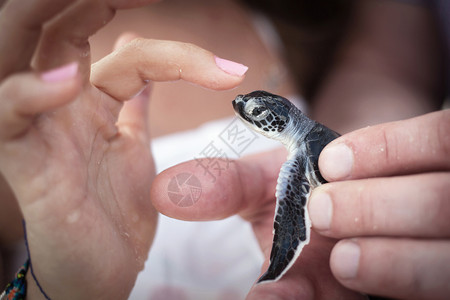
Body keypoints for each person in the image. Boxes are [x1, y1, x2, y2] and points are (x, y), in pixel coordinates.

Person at [0, 1, 448, 300]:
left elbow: (378, 94)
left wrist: (383, 192)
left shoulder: (335, 24)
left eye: (250, 110)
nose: (241, 109)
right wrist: (51, 289)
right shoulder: (19, 103)